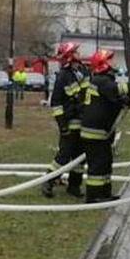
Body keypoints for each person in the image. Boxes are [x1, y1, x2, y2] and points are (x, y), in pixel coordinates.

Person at [80, 49, 130, 203]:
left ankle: (104, 194)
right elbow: (118, 90)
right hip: (95, 133)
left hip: (101, 132)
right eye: (110, 60)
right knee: (97, 167)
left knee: (105, 163)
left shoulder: (102, 81)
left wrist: (128, 99)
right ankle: (94, 196)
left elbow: (114, 101)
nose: (113, 62)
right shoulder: (102, 81)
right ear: (103, 64)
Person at [42, 42, 87, 199]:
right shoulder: (63, 76)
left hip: (81, 122)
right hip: (69, 123)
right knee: (64, 155)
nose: (78, 54)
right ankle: (48, 181)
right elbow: (56, 104)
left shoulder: (80, 71)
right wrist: (62, 126)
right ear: (69, 56)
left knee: (80, 157)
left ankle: (74, 186)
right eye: (75, 52)